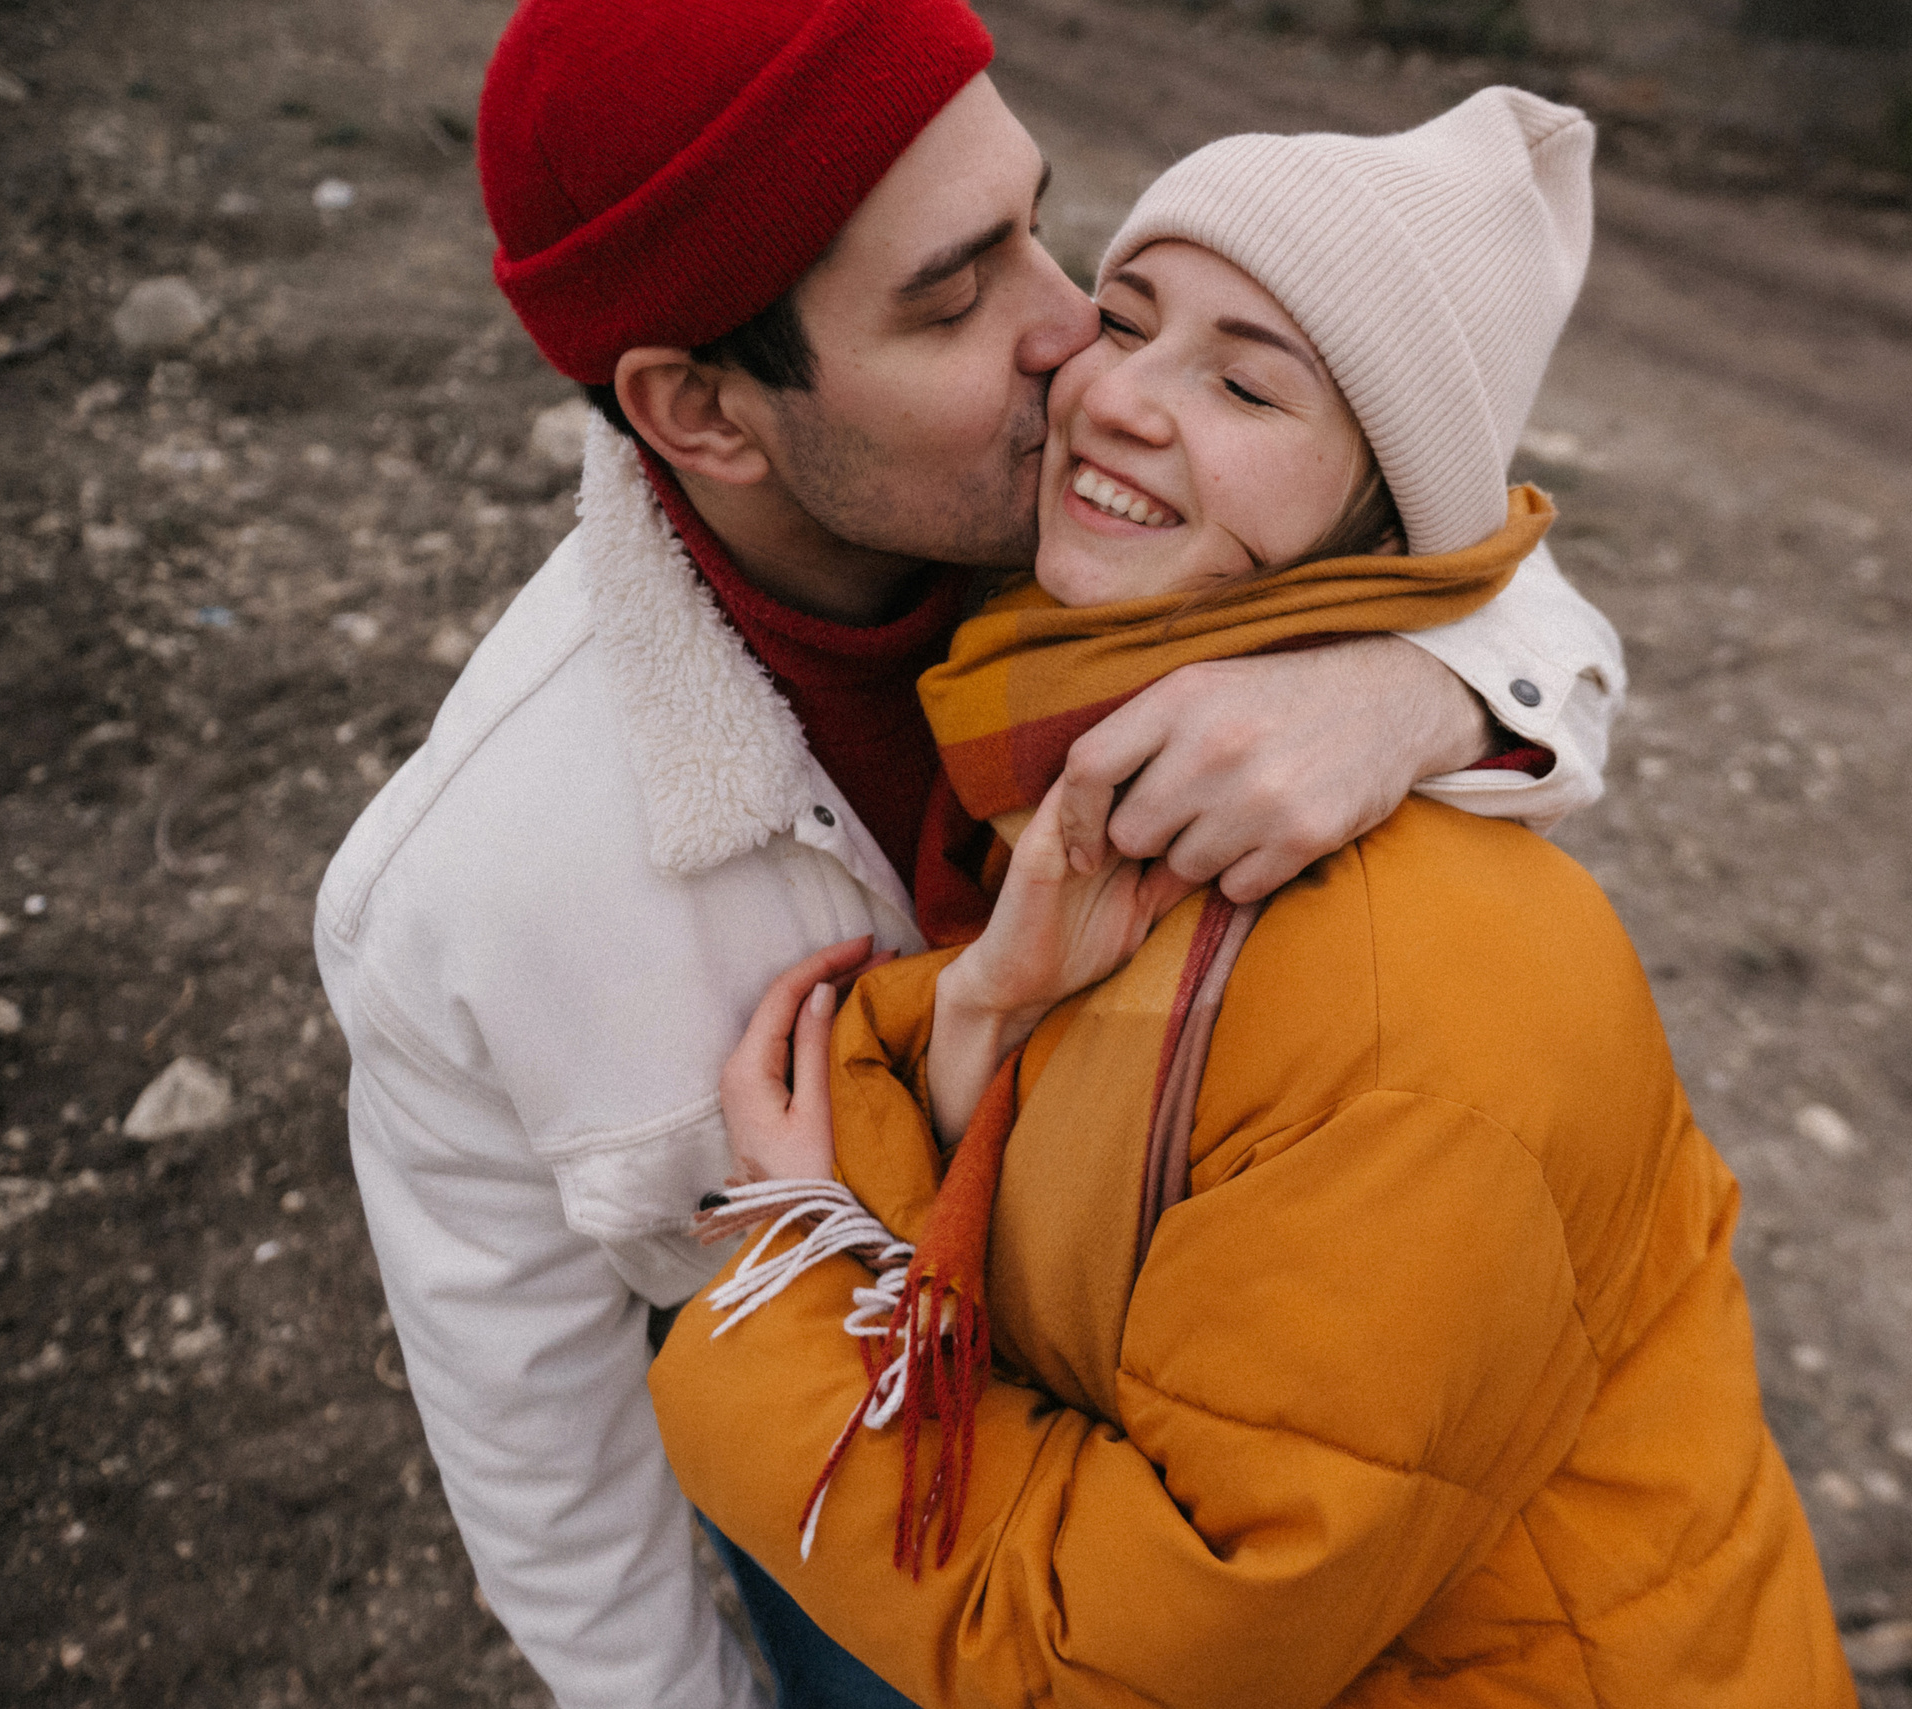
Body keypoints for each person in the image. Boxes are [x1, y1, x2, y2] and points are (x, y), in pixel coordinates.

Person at [312, 1, 1624, 1705]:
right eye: (955, 294)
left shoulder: (1114, 528)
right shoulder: (474, 899)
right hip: (860, 1479)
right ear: (702, 410)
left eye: (1035, 224)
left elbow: (1454, 521)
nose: (1079, 335)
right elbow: (546, 1468)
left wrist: (1420, 686)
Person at [651, 88, 1851, 1706]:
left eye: (1243, 382)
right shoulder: (1103, 742)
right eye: (1127, 320)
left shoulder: (1405, 991)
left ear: (1379, 513)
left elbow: (1149, 1650)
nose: (1120, 400)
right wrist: (991, 1003)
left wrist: (789, 1308)